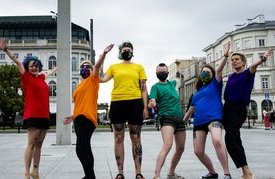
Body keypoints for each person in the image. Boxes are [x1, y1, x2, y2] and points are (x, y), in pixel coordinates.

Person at [0, 38, 58, 179]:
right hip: (32, 115)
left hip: (44, 115)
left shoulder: (41, 78)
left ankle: (35, 170)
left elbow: (49, 73)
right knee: (31, 144)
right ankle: (27, 172)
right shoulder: (26, 77)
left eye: (36, 65)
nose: (34, 67)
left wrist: (56, 68)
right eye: (31, 65)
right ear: (27, 67)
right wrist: (6, 50)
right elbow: (18, 62)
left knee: (39, 145)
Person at [63, 44, 114, 179]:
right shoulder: (80, 85)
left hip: (88, 119)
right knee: (86, 148)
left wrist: (104, 53)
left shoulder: (93, 80)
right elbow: (82, 103)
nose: (84, 68)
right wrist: (73, 116)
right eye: (82, 67)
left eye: (87, 66)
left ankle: (90, 176)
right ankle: (89, 176)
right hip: (78, 119)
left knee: (80, 149)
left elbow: (97, 66)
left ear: (91, 70)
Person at [100, 41, 149, 179]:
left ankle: (138, 172)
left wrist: (145, 107)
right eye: (124, 49)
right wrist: (103, 56)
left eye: (129, 49)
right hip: (117, 103)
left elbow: (144, 89)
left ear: (132, 52)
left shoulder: (139, 67)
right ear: (120, 52)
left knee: (136, 137)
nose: (126, 51)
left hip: (135, 103)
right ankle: (120, 172)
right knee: (118, 138)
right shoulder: (114, 67)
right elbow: (101, 79)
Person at [223, 48, 273, 179]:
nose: (234, 61)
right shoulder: (231, 76)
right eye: (232, 60)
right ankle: (245, 172)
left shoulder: (248, 73)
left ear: (243, 61)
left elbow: (253, 66)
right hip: (227, 108)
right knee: (236, 140)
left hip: (239, 109)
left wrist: (262, 59)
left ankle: (247, 170)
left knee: (229, 140)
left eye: (237, 59)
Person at [184, 42, 231, 179]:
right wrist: (181, 123)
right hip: (198, 123)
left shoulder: (215, 84)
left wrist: (225, 55)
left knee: (217, 141)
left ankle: (227, 173)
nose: (205, 73)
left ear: (212, 74)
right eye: (203, 72)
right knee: (198, 151)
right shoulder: (196, 93)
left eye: (208, 72)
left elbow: (219, 69)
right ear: (200, 75)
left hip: (214, 118)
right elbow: (190, 111)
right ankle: (212, 172)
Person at [149, 63, 186, 179]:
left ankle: (171, 173)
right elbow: (152, 100)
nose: (162, 73)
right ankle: (157, 175)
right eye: (159, 71)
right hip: (166, 117)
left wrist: (178, 66)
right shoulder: (155, 87)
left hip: (179, 117)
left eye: (164, 71)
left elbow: (179, 79)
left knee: (180, 148)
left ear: (167, 73)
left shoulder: (171, 84)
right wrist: (152, 104)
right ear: (156, 73)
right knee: (168, 145)